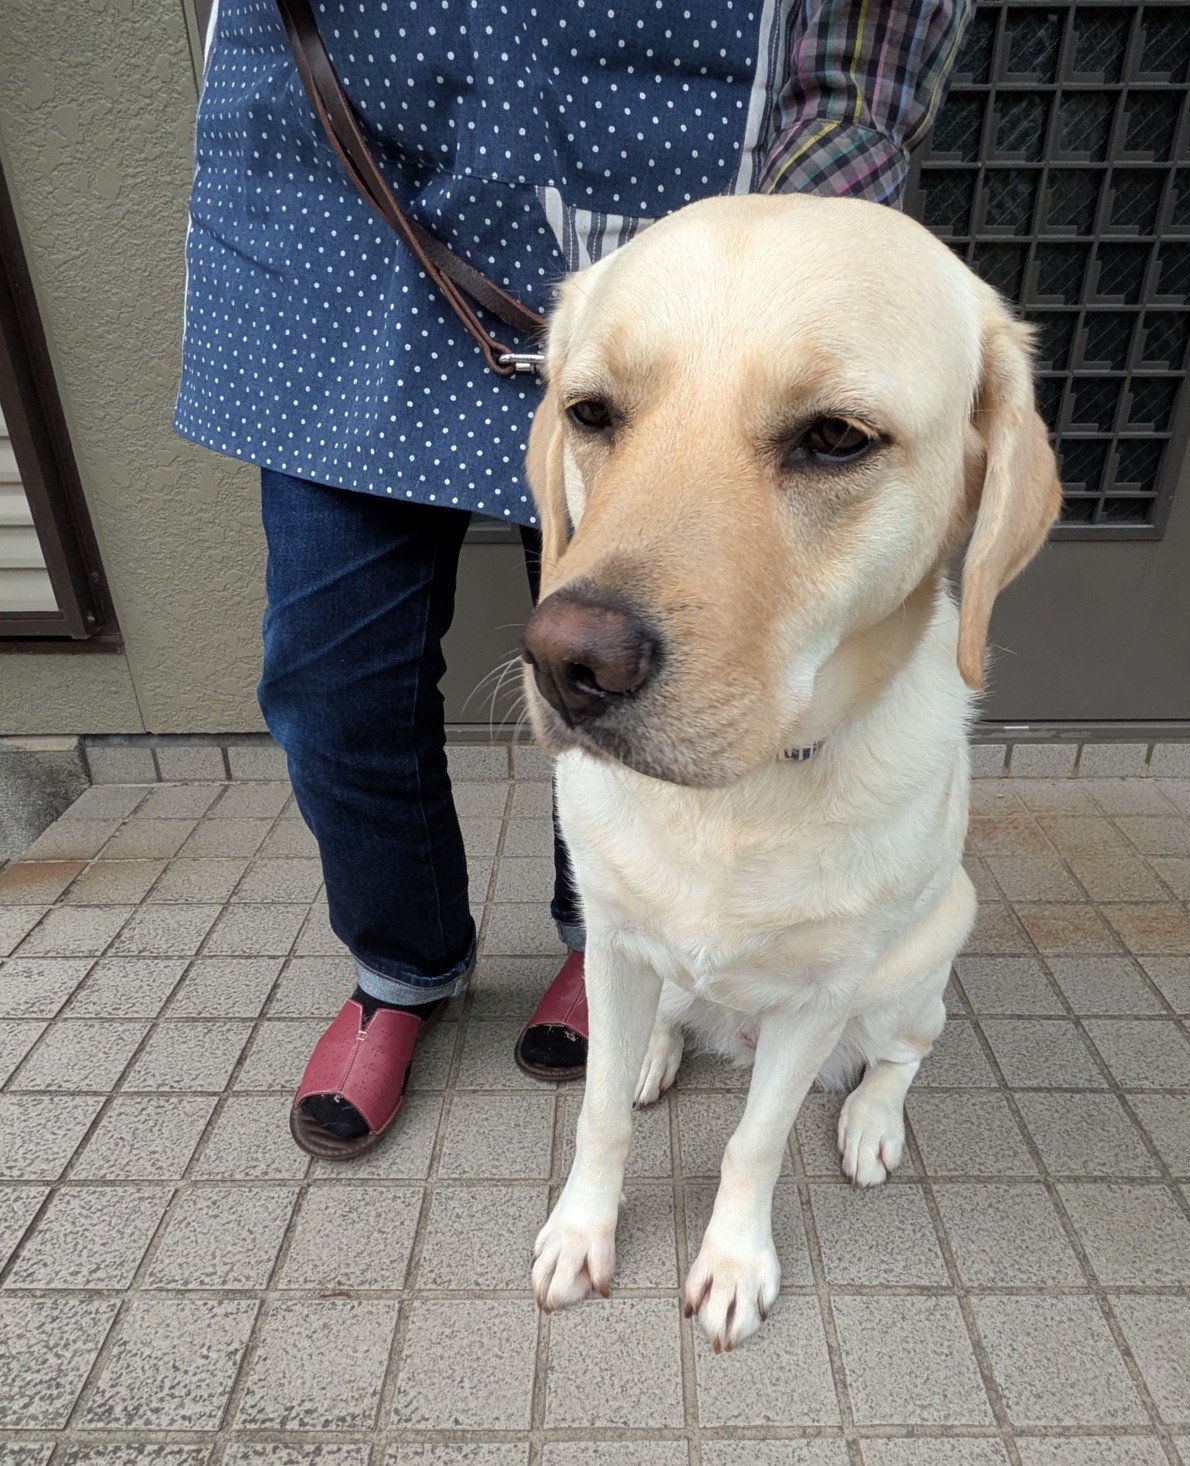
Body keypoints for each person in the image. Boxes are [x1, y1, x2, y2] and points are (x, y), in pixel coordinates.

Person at [176, 0, 972, 1158]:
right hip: (341, 199)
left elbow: (871, 46)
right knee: (329, 680)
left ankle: (599, 939)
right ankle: (398, 968)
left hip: (657, 212)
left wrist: (807, 259)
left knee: (626, 656)